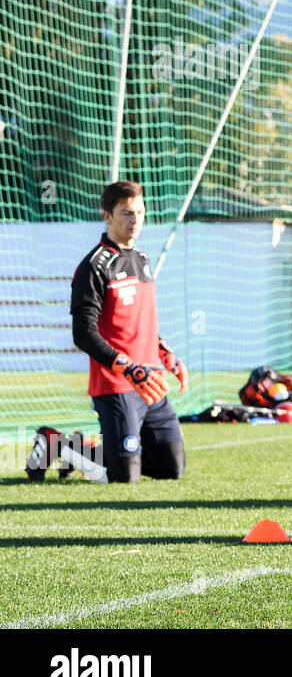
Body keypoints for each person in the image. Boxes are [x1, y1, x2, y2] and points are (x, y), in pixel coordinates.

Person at [63, 180, 189, 483]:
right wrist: (126, 367)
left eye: (139, 212)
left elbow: (142, 323)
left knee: (172, 469)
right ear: (107, 216)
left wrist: (166, 355)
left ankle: (110, 452)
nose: (135, 221)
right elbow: (82, 333)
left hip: (150, 382)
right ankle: (65, 446)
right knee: (125, 479)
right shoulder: (93, 267)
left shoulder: (142, 259)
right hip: (115, 385)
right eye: (126, 213)